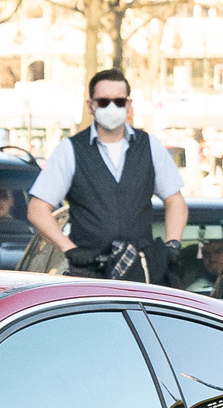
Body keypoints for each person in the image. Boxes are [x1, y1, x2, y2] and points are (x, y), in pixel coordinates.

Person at [27, 70, 187, 280]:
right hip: (89, 274)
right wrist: (70, 250)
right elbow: (38, 209)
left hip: (140, 272)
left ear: (129, 105)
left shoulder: (149, 146)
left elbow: (175, 200)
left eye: (119, 102)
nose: (112, 108)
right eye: (103, 102)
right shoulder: (70, 150)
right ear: (90, 106)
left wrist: (172, 244)